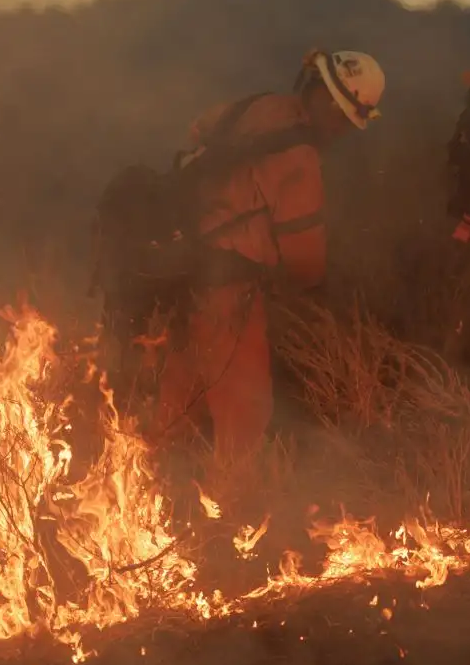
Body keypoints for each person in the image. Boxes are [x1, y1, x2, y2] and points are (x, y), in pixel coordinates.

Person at [152, 48, 385, 501]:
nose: (339, 133)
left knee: (180, 398)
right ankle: (236, 519)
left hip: (184, 278)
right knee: (244, 408)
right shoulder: (299, 158)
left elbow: (199, 129)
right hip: (230, 291)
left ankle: (154, 500)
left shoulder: (258, 108)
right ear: (331, 103)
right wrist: (312, 289)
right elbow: (305, 256)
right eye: (343, 121)